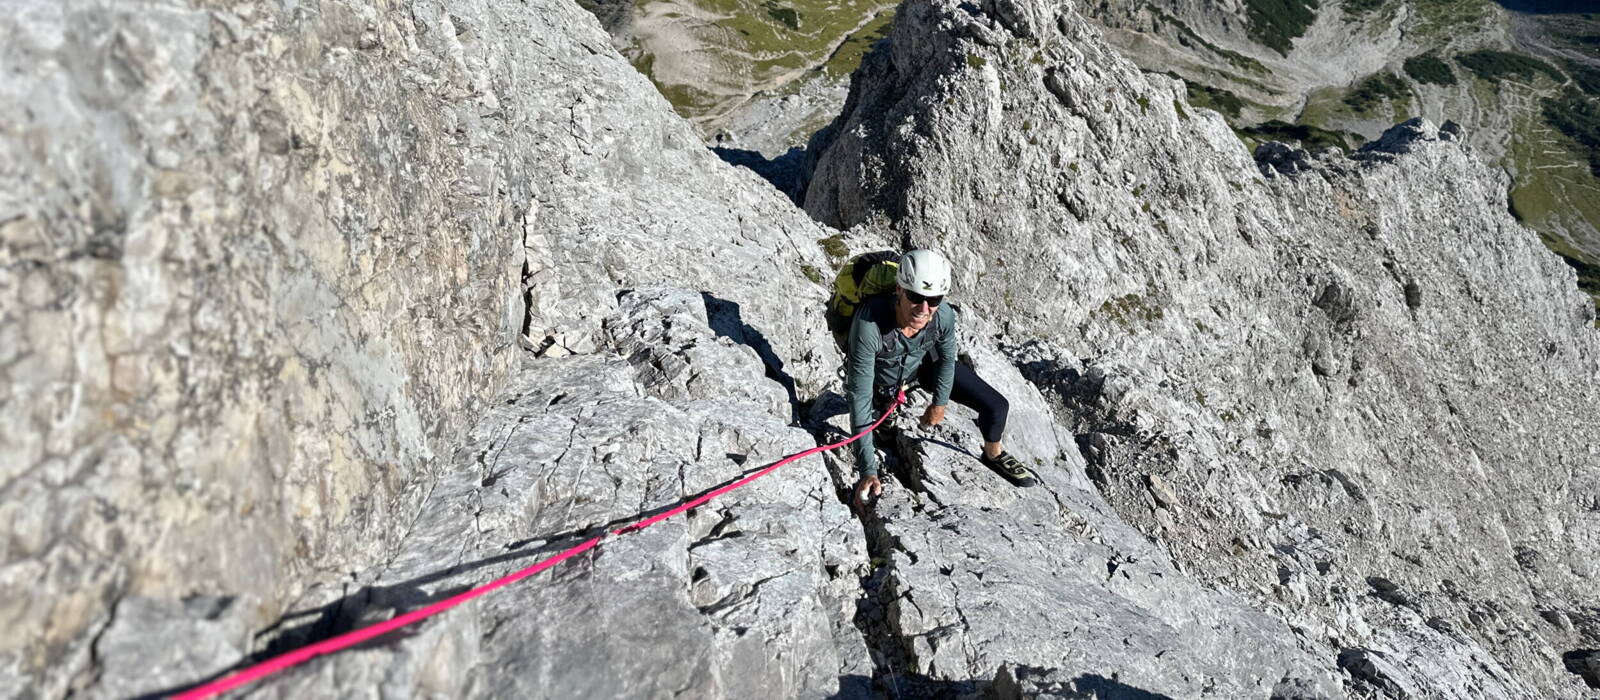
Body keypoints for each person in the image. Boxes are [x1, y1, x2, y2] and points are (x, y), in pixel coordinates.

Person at [841, 249, 1036, 511]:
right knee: (877, 418)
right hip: (879, 381)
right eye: (915, 297)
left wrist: (939, 403)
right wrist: (868, 470)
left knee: (997, 406)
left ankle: (994, 454)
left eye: (933, 300)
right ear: (899, 289)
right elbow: (859, 396)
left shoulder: (942, 316)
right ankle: (885, 416)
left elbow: (946, 360)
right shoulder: (869, 323)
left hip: (918, 371)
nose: (924, 309)